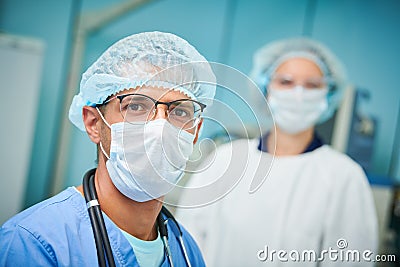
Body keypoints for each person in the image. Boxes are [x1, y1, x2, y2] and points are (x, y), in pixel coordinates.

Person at [0, 31, 216, 266]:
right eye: (136, 106)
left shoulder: (186, 251)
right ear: (93, 123)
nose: (160, 127)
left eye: (180, 111)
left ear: (195, 132)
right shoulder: (34, 242)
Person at [176, 37, 378, 266]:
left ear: (328, 93)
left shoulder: (344, 176)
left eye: (312, 84)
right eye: (286, 82)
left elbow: (350, 260)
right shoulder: (226, 161)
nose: (298, 94)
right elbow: (187, 242)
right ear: (266, 87)